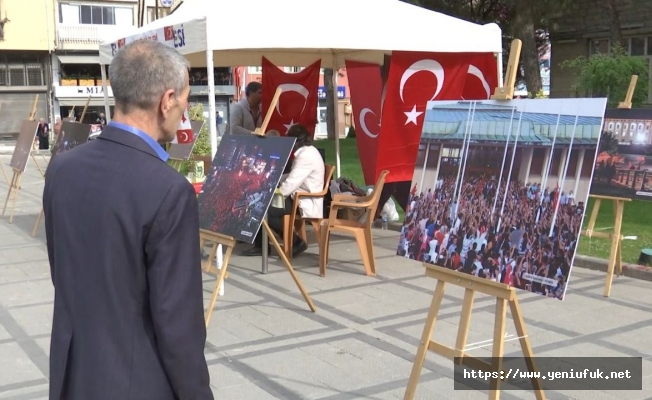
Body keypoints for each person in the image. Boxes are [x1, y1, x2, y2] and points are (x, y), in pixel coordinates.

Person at [43, 40, 213, 400]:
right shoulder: (169, 191)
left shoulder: (62, 168)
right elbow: (178, 327)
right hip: (138, 383)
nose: (184, 113)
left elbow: (64, 273)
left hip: (74, 375)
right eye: (184, 101)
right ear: (166, 100)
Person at [241, 124, 325, 257]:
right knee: (260, 205)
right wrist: (275, 183)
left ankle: (294, 241)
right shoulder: (308, 152)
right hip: (299, 195)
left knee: (260, 208)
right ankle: (273, 243)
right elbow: (293, 176)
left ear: (294, 141)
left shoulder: (305, 156)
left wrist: (272, 191)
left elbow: (291, 184)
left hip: (302, 199)